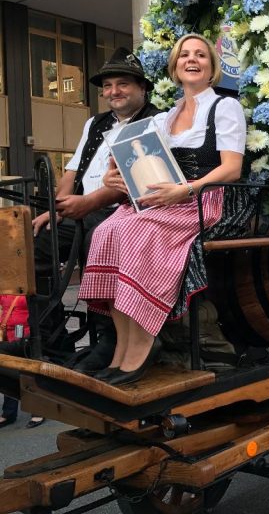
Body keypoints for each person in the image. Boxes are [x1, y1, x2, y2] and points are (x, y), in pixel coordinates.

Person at [78, 34, 247, 386]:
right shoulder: (167, 116)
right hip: (165, 198)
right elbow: (130, 158)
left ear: (211, 66)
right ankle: (123, 345)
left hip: (202, 199)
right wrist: (117, 176)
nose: (192, 59)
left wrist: (184, 190)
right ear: (175, 66)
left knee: (133, 230)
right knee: (107, 231)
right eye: (184, 54)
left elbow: (231, 169)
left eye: (200, 55)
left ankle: (144, 341)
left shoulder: (223, 107)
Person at [6, 49, 161, 374]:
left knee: (98, 239)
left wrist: (87, 204)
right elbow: (71, 174)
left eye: (122, 84)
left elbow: (134, 182)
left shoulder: (154, 121)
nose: (113, 91)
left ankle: (106, 337)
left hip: (124, 212)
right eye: (107, 85)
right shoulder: (95, 123)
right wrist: (57, 208)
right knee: (34, 243)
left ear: (142, 88)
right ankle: (52, 341)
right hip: (81, 209)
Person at [0, 296, 45, 428]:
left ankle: (38, 411)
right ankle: (9, 413)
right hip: (7, 336)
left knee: (28, 374)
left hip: (24, 336)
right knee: (8, 373)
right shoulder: (6, 290)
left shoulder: (27, 289)